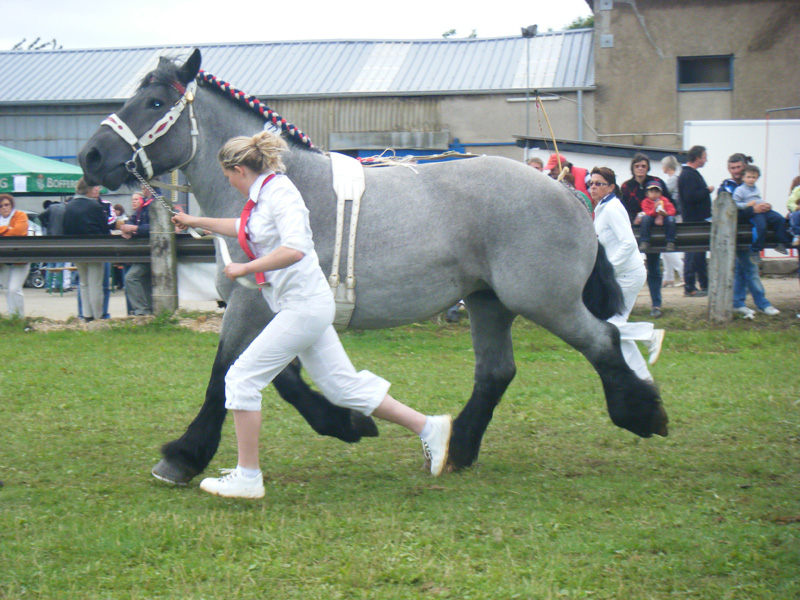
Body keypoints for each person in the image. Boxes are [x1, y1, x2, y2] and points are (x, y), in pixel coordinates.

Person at [171, 131, 453, 499]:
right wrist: (196, 221)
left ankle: (248, 475)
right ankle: (431, 428)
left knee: (241, 378)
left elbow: (296, 249)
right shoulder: (264, 196)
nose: (230, 184)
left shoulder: (280, 194)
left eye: (228, 178)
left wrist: (246, 268)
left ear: (239, 170)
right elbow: (246, 229)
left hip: (303, 308)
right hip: (302, 306)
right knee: (343, 387)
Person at [588, 167, 664, 382]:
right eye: (591, 183)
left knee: (609, 326)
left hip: (628, 274)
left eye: (598, 183)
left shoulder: (612, 208)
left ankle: (650, 335)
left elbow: (629, 244)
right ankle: (643, 377)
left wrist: (608, 270)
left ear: (611, 187)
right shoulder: (603, 208)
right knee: (614, 328)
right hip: (623, 273)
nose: (593, 187)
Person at [719, 154, 780, 317]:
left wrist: (765, 207)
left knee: (741, 270)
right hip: (736, 235)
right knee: (752, 270)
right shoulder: (726, 187)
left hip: (751, 234)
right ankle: (763, 304)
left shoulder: (753, 187)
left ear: (745, 166)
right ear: (728, 169)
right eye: (733, 168)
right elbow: (726, 212)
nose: (736, 171)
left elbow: (757, 205)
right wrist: (752, 210)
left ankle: (737, 303)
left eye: (739, 167)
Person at [620, 153, 672, 318]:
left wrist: (661, 214)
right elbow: (622, 208)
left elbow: (670, 203)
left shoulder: (656, 182)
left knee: (654, 269)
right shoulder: (626, 187)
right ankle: (624, 306)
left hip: (653, 233)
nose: (640, 169)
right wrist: (633, 218)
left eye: (643, 166)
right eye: (637, 166)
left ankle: (656, 305)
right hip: (633, 231)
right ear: (633, 168)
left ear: (647, 167)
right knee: (626, 270)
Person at [63, 179, 115, 322]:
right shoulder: (94, 206)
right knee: (96, 284)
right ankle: (97, 316)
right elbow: (105, 228)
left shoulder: (68, 206)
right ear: (88, 190)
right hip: (95, 249)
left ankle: (86, 315)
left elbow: (65, 228)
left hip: (76, 250)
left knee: (83, 283)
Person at [732, 164, 790, 263]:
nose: (751, 180)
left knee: (778, 218)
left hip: (762, 209)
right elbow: (734, 204)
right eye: (748, 177)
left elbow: (758, 199)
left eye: (754, 177)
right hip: (753, 212)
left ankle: (780, 243)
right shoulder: (740, 190)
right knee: (761, 226)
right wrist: (747, 205)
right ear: (743, 178)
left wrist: (766, 205)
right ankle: (755, 250)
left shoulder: (755, 188)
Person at [678, 145, 714, 297]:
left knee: (699, 255)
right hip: (693, 223)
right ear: (698, 157)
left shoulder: (691, 174)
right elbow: (690, 196)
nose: (706, 160)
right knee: (692, 255)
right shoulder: (688, 175)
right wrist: (707, 190)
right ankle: (690, 287)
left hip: (698, 221)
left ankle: (704, 285)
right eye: (704, 156)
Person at [119, 191, 153, 315]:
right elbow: (129, 223)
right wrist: (127, 229)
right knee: (143, 281)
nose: (134, 202)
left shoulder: (151, 206)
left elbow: (155, 227)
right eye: (132, 199)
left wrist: (134, 229)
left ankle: (141, 312)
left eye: (136, 199)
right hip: (140, 253)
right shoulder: (138, 212)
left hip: (149, 252)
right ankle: (146, 311)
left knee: (131, 278)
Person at [0, 194, 30, 317]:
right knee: (6, 289)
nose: (4, 208)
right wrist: (8, 229)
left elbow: (19, 231)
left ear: (11, 205)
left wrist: (2, 231)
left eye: (7, 205)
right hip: (3, 260)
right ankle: (12, 317)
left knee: (14, 289)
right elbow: (13, 231)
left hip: (20, 259)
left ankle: (20, 317)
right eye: (1, 206)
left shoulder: (20, 215)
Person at [660, 155, 684, 287]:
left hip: (672, 216)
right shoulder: (674, 179)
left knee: (666, 247)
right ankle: (668, 277)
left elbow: (663, 195)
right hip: (673, 215)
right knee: (665, 247)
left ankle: (682, 272)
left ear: (667, 166)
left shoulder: (672, 180)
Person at [638, 180, 677, 253]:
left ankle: (670, 242)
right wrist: (654, 209)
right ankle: (644, 241)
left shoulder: (664, 200)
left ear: (660, 193)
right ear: (647, 193)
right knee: (645, 219)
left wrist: (665, 213)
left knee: (671, 219)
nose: (654, 194)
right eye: (651, 192)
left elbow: (672, 210)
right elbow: (646, 212)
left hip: (664, 218)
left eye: (656, 192)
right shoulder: (645, 202)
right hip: (651, 219)